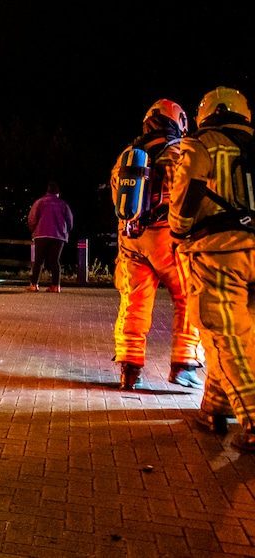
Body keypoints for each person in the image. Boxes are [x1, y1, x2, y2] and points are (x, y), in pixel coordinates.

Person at [169, 86, 255, 449]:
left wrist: (178, 228)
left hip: (219, 250)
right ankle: (216, 407)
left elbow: (188, 190)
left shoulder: (202, 144)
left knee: (226, 335)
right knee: (239, 333)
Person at [111, 100, 203, 390]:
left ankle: (129, 367)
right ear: (178, 122)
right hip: (167, 240)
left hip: (131, 239)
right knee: (189, 296)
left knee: (134, 302)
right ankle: (184, 364)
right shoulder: (177, 153)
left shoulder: (125, 158)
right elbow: (187, 196)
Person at [27, 181, 74, 292]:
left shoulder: (40, 202)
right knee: (55, 260)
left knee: (39, 260)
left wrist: (33, 229)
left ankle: (34, 285)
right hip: (58, 236)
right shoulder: (63, 204)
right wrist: (65, 230)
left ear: (47, 192)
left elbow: (32, 218)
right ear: (57, 194)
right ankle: (56, 286)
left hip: (42, 234)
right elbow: (70, 221)